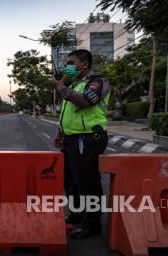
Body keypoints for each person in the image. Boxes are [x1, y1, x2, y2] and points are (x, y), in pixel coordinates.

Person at [52, 49, 110, 239]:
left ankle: (92, 223)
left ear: (84, 64)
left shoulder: (98, 82)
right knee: (70, 181)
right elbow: (69, 114)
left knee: (87, 182)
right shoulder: (76, 85)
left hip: (87, 139)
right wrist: (61, 133)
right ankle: (77, 214)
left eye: (71, 62)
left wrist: (61, 88)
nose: (68, 66)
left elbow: (86, 102)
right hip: (70, 139)